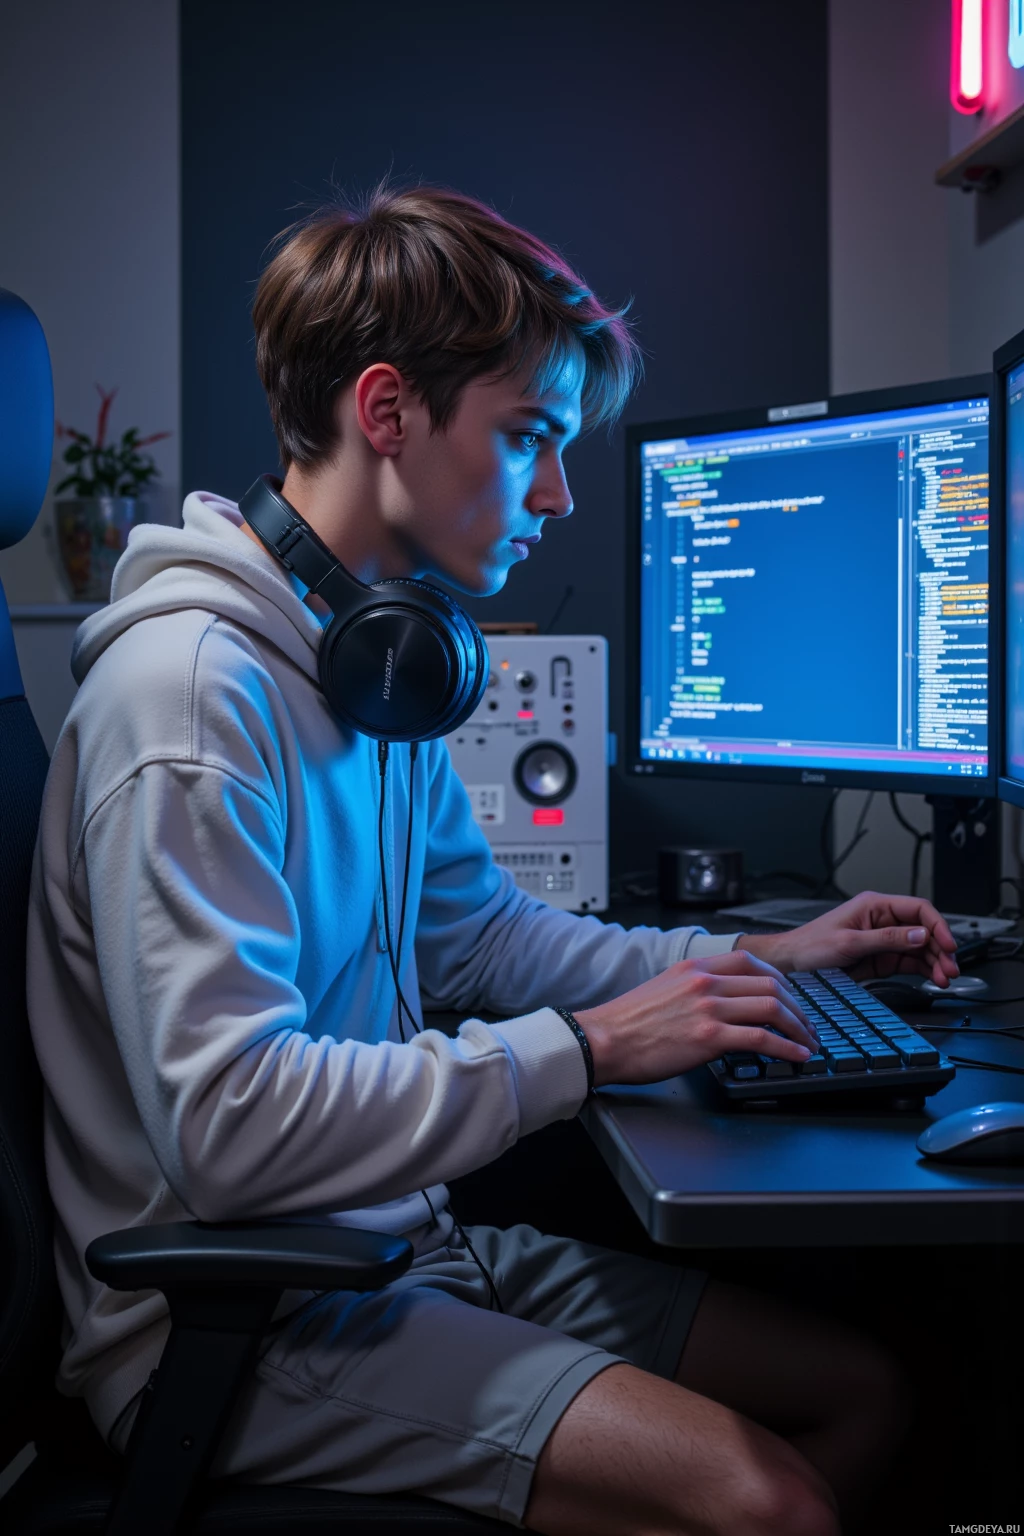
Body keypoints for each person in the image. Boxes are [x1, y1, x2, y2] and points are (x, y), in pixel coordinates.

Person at [28, 185, 958, 1536]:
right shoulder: (189, 701)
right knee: (770, 1503)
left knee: (870, 1389)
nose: (564, 494)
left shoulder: (375, 663)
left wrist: (756, 957)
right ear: (389, 411)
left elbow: (485, 941)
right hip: (239, 1312)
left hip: (400, 1249)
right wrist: (586, 1049)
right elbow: (228, 1131)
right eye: (529, 439)